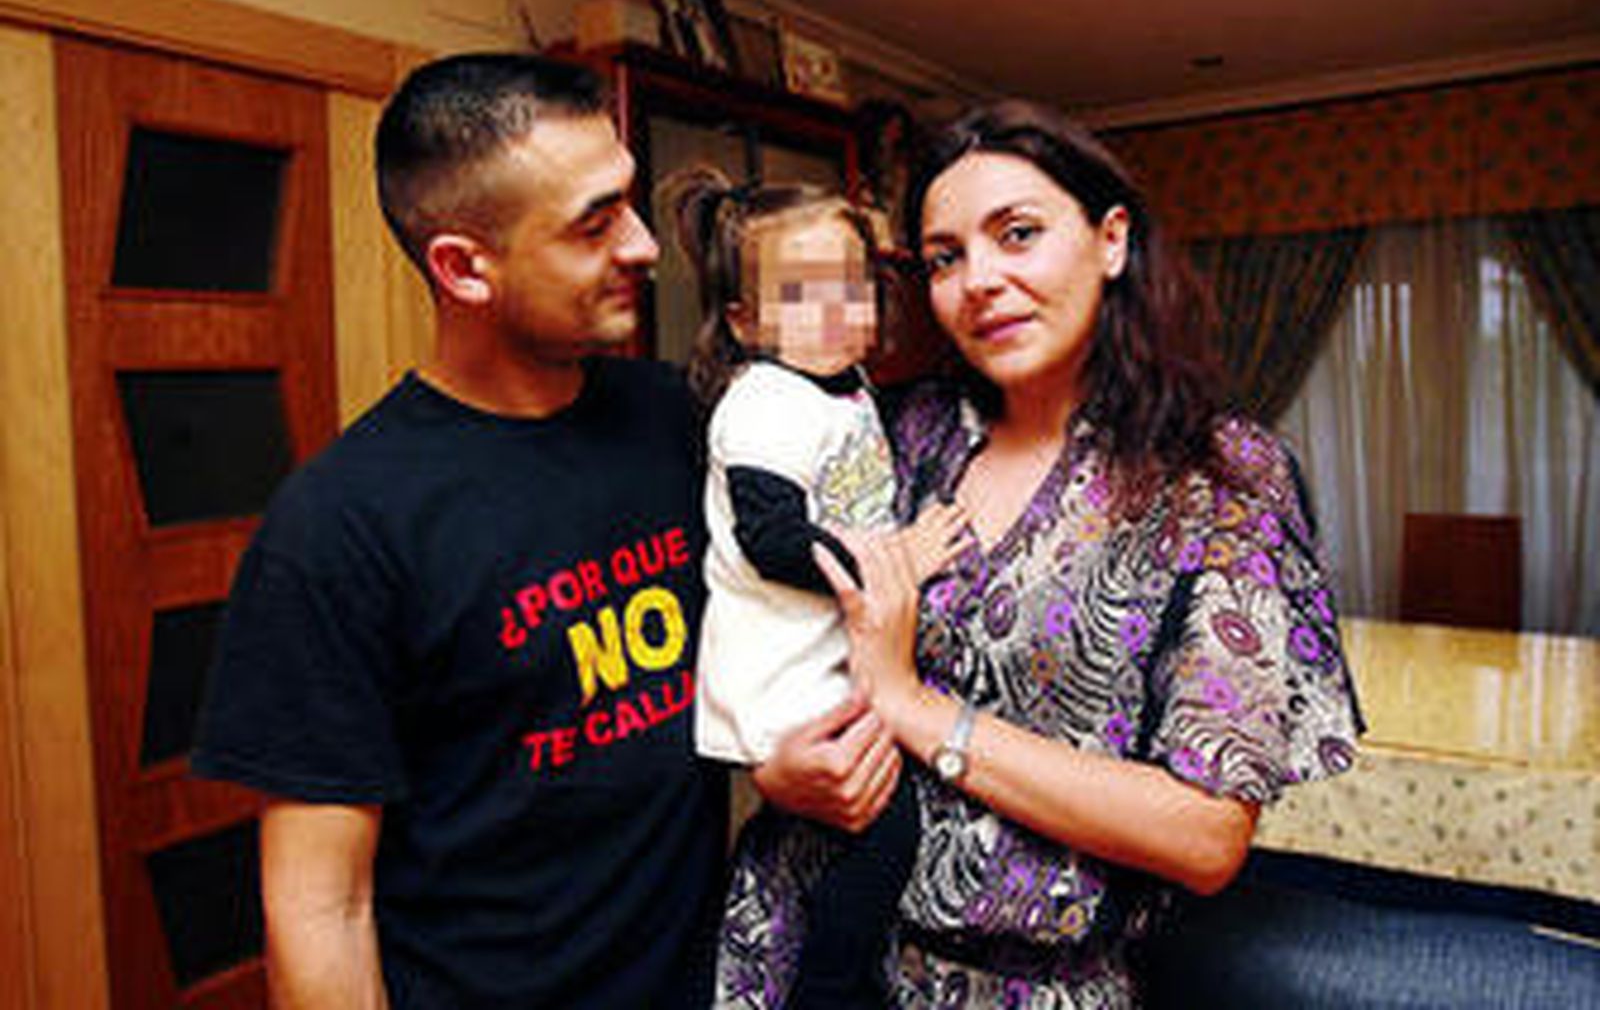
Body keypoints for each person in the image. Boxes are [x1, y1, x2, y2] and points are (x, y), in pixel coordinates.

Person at [191, 52, 892, 1008]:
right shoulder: (340, 525)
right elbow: (323, 907)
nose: (645, 245)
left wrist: (773, 762)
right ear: (463, 268)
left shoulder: (683, 421)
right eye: (594, 224)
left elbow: (750, 639)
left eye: (632, 205)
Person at [715, 100, 1365, 1007]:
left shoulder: (1219, 480)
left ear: (1110, 240)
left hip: (1021, 986)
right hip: (794, 938)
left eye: (1017, 234)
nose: (978, 279)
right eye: (945, 256)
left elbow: (1205, 835)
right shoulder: (894, 434)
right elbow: (764, 615)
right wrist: (774, 770)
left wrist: (912, 708)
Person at [671, 169, 962, 1008]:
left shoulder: (846, 386)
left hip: (827, 657)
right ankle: (832, 987)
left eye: (851, 288)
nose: (835, 312)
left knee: (853, 838)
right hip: (781, 673)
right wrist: (900, 556)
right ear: (746, 321)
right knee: (883, 829)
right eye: (803, 297)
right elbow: (773, 540)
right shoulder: (761, 401)